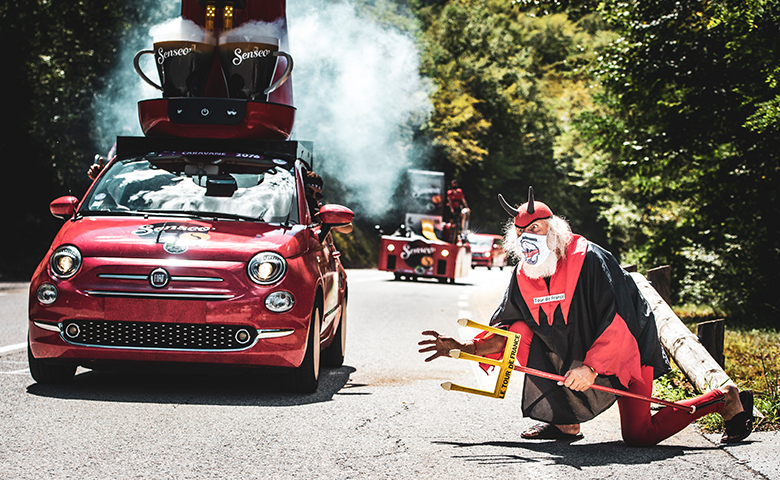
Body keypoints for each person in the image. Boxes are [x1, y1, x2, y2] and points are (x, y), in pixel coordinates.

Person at [418, 186, 754, 446]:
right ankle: (565, 421)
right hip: (576, 352)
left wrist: (591, 366)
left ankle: (723, 399)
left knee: (639, 436)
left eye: (537, 230)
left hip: (629, 347)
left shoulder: (590, 258)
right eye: (523, 234)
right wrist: (464, 347)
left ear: (554, 230)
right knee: (521, 327)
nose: (529, 239)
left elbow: (619, 319)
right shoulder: (523, 273)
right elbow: (509, 329)